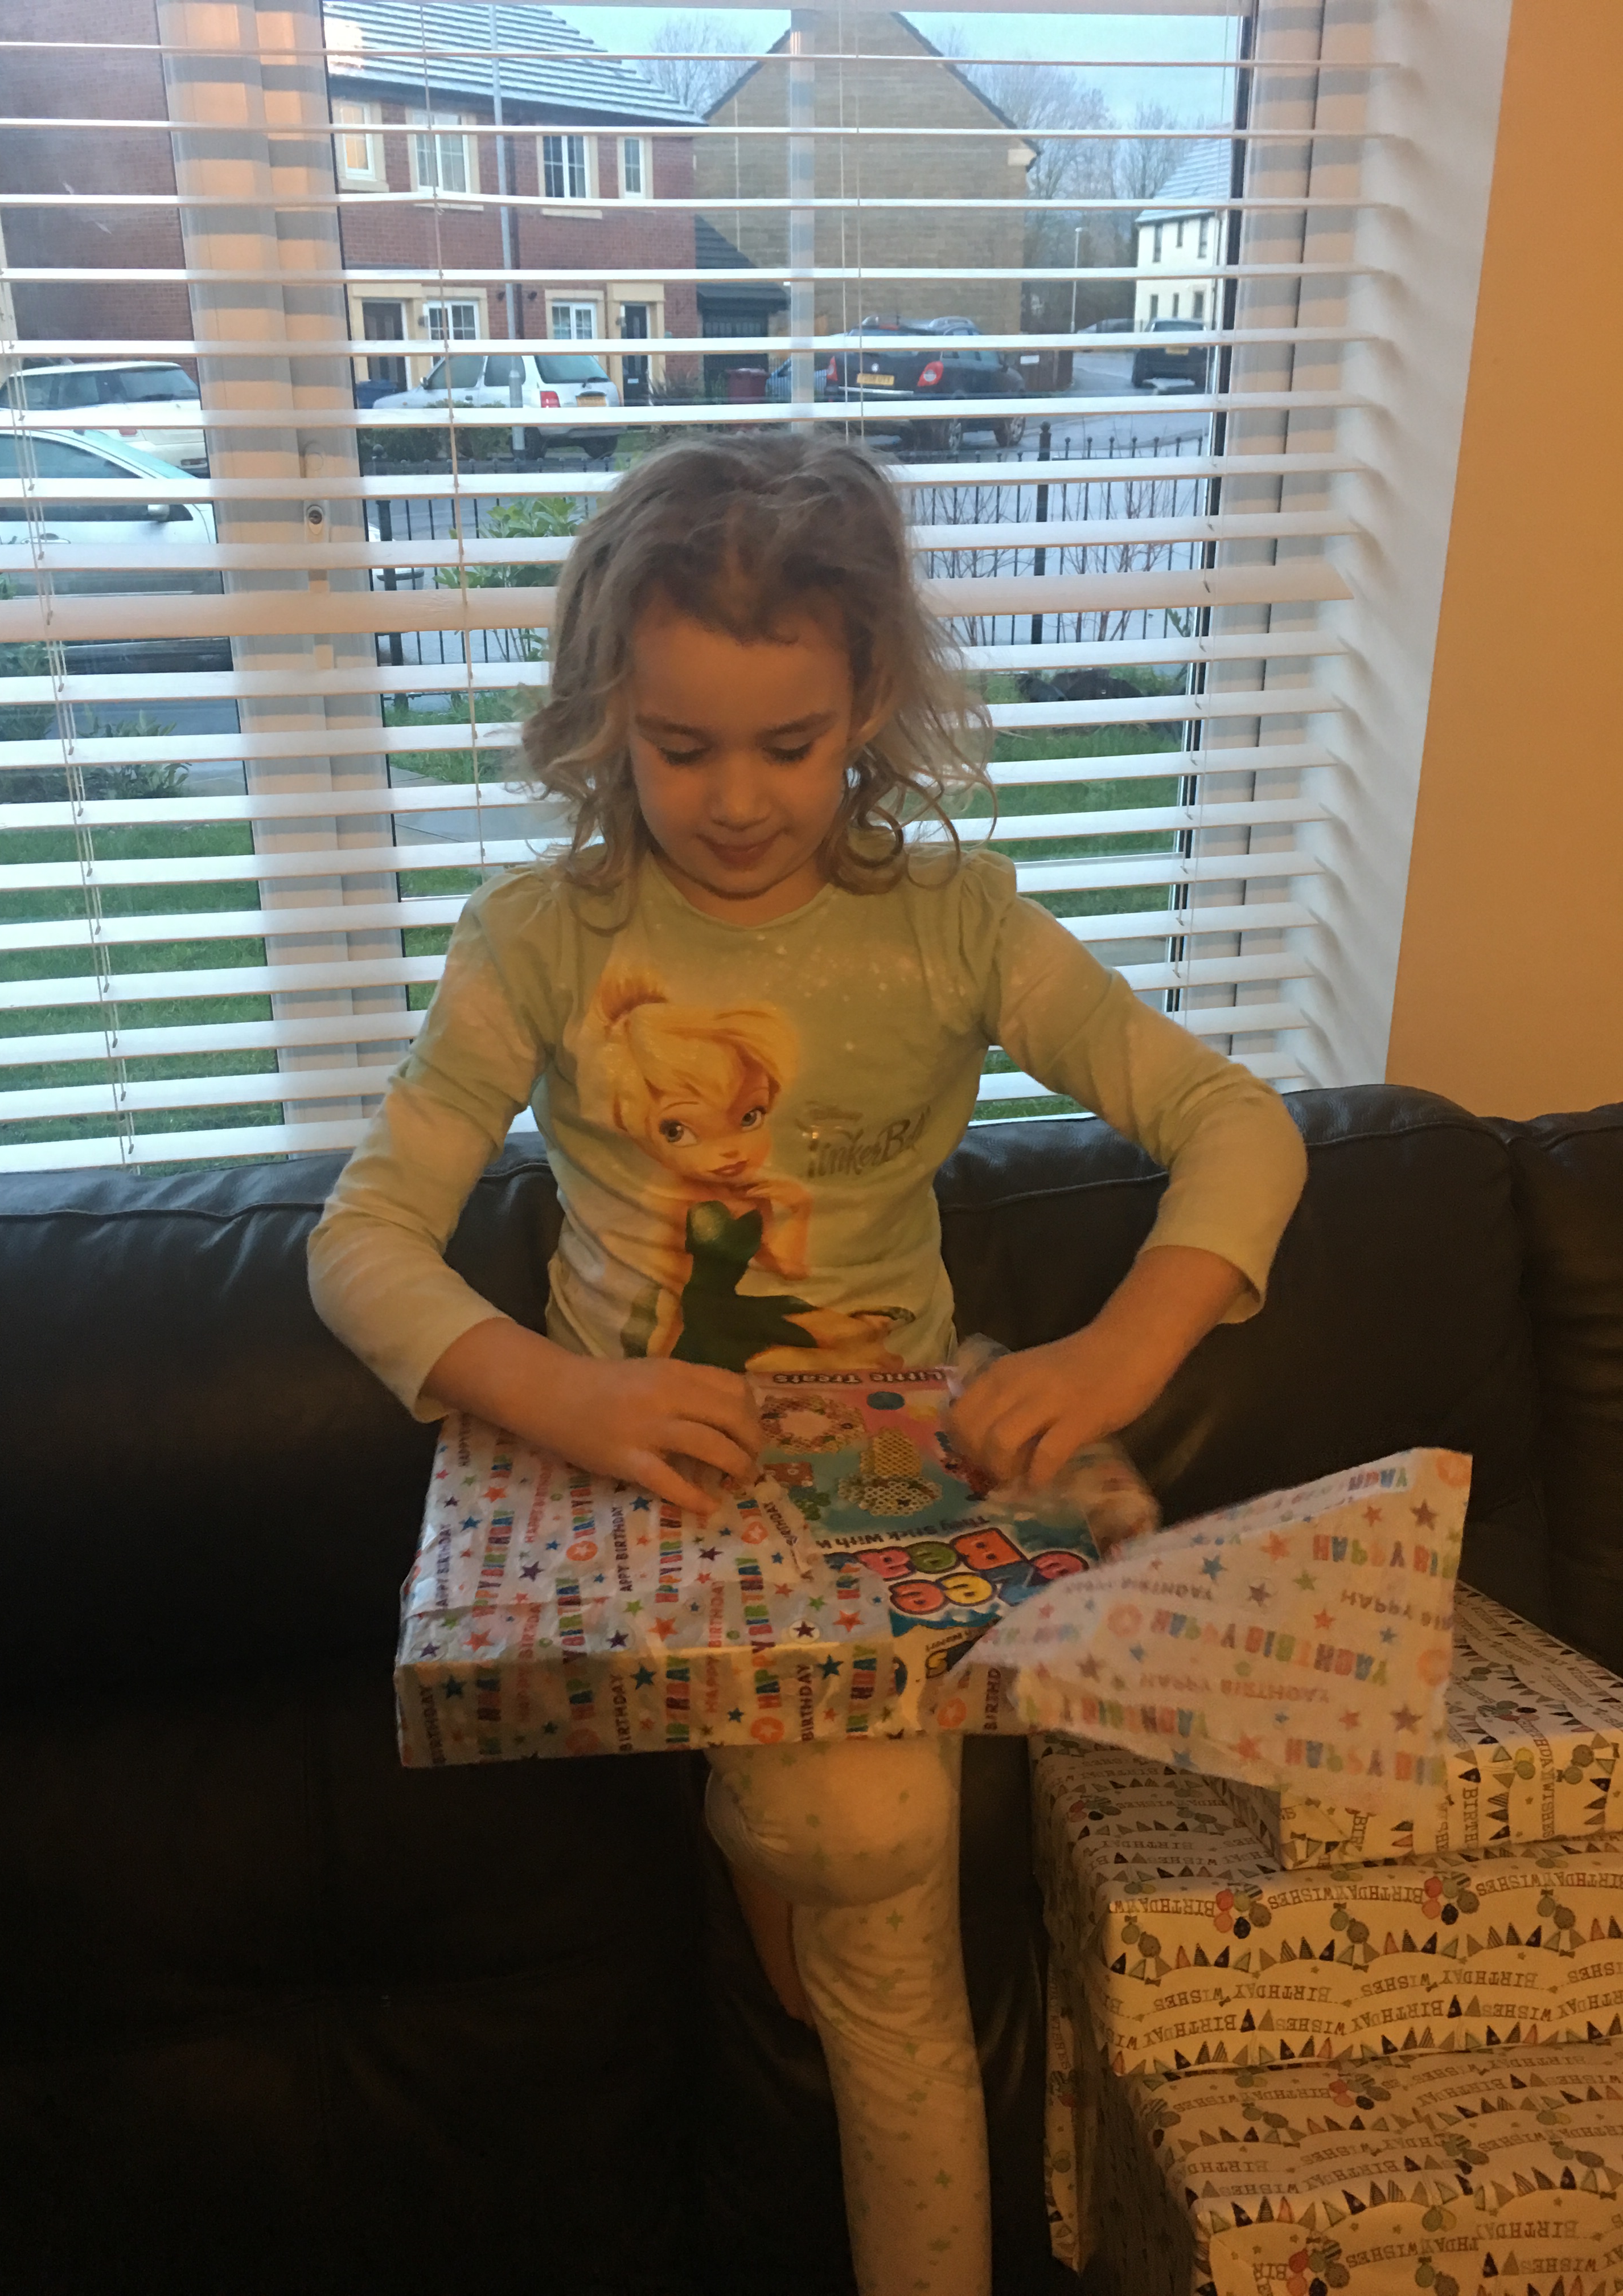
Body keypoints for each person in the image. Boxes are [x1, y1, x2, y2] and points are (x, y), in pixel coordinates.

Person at [308, 433, 1306, 2296]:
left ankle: (782, 1864)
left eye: (793, 743)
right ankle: (771, 1842)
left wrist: (1119, 1350)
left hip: (883, 1490)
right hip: (642, 1485)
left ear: (874, 706)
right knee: (870, 1854)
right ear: (604, 714)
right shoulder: (543, 939)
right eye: (679, 747)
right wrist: (567, 1395)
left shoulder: (954, 926)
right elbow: (357, 1243)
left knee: (877, 1872)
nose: (739, 801)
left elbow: (1240, 1125)